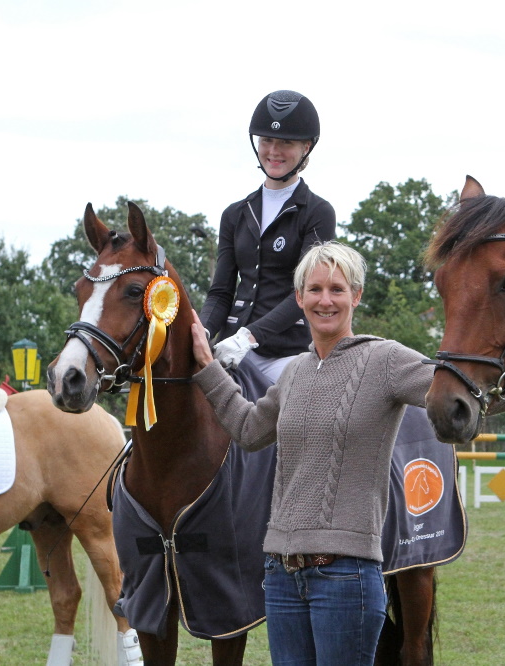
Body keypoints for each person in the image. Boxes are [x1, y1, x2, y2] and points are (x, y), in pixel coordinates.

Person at [190, 241, 435, 665]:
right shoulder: (294, 373)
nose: (326, 300)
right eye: (315, 289)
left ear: (356, 297)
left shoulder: (386, 359)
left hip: (347, 577)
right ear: (299, 297)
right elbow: (248, 429)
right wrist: (206, 367)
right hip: (282, 576)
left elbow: (459, 393)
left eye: (337, 289)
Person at [199, 89, 336, 383]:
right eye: (267, 141)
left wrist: (249, 337)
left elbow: (305, 292)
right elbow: (221, 292)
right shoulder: (235, 214)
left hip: (286, 356)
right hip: (229, 350)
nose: (274, 151)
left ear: (305, 147)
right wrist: (201, 332)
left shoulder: (317, 213)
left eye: (285, 142)